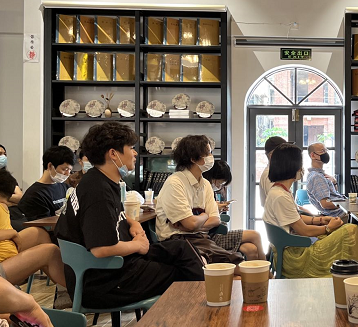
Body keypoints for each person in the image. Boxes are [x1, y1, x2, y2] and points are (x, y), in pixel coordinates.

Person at [55, 122, 205, 309]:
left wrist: (131, 221)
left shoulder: (102, 180)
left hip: (115, 269)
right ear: (113, 154)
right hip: (104, 282)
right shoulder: (98, 191)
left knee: (181, 249)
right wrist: (136, 245)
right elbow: (100, 249)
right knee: (181, 271)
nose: (135, 153)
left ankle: (208, 304)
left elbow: (109, 218)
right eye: (131, 148)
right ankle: (203, 316)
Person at [263, 143, 358, 279]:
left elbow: (295, 218)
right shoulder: (281, 196)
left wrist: (320, 220)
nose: (302, 168)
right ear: (292, 166)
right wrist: (328, 228)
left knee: (352, 231)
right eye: (300, 163)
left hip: (293, 247)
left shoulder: (280, 191)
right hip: (295, 255)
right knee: (352, 231)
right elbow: (303, 230)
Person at [156, 135, 244, 266]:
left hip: (200, 238)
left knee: (239, 265)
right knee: (233, 269)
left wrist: (193, 223)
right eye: (208, 153)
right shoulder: (175, 183)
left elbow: (215, 220)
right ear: (193, 158)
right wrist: (204, 216)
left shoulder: (205, 184)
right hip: (178, 242)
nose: (211, 157)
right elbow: (191, 224)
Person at [0, 168, 66, 287]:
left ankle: (64, 290)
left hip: (6, 251)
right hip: (2, 266)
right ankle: (73, 292)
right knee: (50, 251)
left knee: (38, 233)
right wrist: (12, 234)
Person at [203, 160, 266, 260]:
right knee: (255, 235)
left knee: (251, 249)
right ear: (212, 177)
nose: (220, 186)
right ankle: (266, 271)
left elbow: (209, 215)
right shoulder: (204, 191)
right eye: (220, 182)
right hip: (212, 237)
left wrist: (217, 209)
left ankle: (255, 273)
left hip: (215, 233)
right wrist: (215, 208)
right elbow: (205, 217)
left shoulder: (210, 191)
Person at [17, 146, 75, 221]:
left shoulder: (65, 187)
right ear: (50, 166)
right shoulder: (35, 195)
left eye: (70, 170)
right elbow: (44, 225)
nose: (67, 174)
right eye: (65, 169)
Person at [305, 142, 348, 222]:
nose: (325, 153)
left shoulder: (320, 175)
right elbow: (325, 204)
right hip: (339, 215)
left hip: (340, 213)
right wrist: (347, 204)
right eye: (322, 151)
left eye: (326, 150)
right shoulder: (317, 177)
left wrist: (334, 183)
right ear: (312, 155)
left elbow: (333, 195)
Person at [259, 136, 289, 207]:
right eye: (283, 152)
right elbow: (278, 204)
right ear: (271, 155)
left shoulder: (276, 172)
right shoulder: (269, 175)